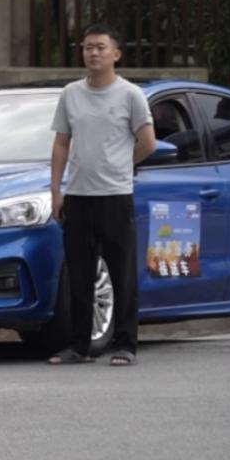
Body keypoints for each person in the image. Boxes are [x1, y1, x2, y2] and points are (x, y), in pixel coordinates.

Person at [48, 23, 155, 366]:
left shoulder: (130, 95)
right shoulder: (71, 94)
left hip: (115, 195)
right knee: (79, 274)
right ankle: (79, 346)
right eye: (87, 47)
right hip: (78, 195)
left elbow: (147, 142)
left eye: (100, 47)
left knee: (121, 272)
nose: (93, 53)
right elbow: (61, 142)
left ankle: (125, 344)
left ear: (116, 54)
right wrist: (56, 190)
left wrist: (121, 164)